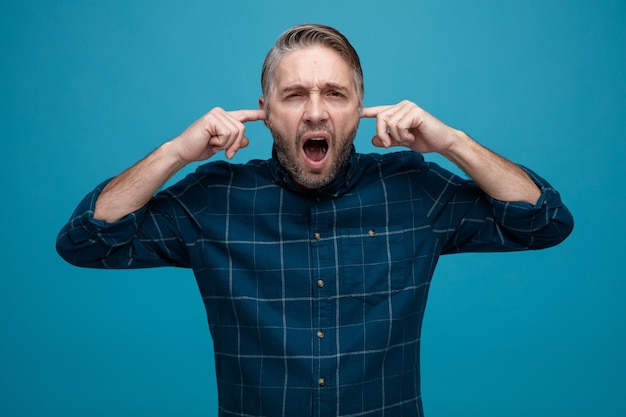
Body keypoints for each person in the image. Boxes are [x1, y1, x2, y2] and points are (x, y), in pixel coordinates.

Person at [56, 23, 574, 417]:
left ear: (360, 109)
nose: (315, 112)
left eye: (334, 93)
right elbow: (85, 241)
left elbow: (544, 221)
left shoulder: (414, 191)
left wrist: (453, 143)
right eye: (295, 94)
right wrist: (175, 153)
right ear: (265, 111)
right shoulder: (214, 200)